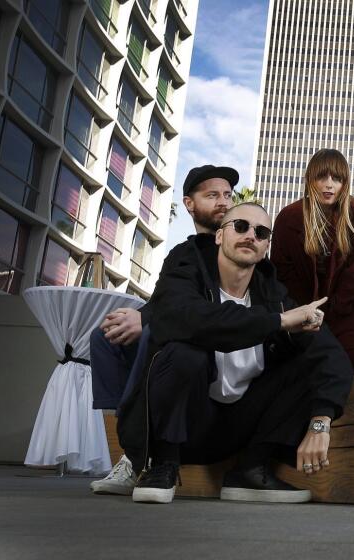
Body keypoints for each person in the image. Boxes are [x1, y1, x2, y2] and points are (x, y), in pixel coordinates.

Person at [114, 202, 354, 504]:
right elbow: (186, 318)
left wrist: (321, 421)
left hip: (237, 430)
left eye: (261, 232)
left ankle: (251, 469)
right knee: (184, 352)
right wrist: (277, 323)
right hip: (184, 426)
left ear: (266, 245)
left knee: (306, 363)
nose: (250, 235)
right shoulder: (186, 274)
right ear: (219, 236)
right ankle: (162, 464)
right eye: (240, 226)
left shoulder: (273, 296)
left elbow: (333, 357)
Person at [90, 164, 237, 494]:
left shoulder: (238, 242)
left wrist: (147, 321)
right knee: (105, 337)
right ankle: (132, 450)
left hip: (211, 342)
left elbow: (204, 305)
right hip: (175, 323)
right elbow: (167, 296)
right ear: (189, 203)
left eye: (227, 195)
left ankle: (143, 451)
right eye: (212, 195)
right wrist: (139, 317)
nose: (224, 202)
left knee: (154, 339)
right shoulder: (182, 252)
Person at [271, 149, 354, 375]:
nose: (329, 185)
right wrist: (304, 311)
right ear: (310, 180)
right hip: (302, 316)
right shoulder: (289, 217)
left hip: (346, 315)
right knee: (299, 378)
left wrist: (336, 307)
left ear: (345, 183)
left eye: (337, 178)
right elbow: (281, 271)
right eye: (322, 177)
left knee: (344, 377)